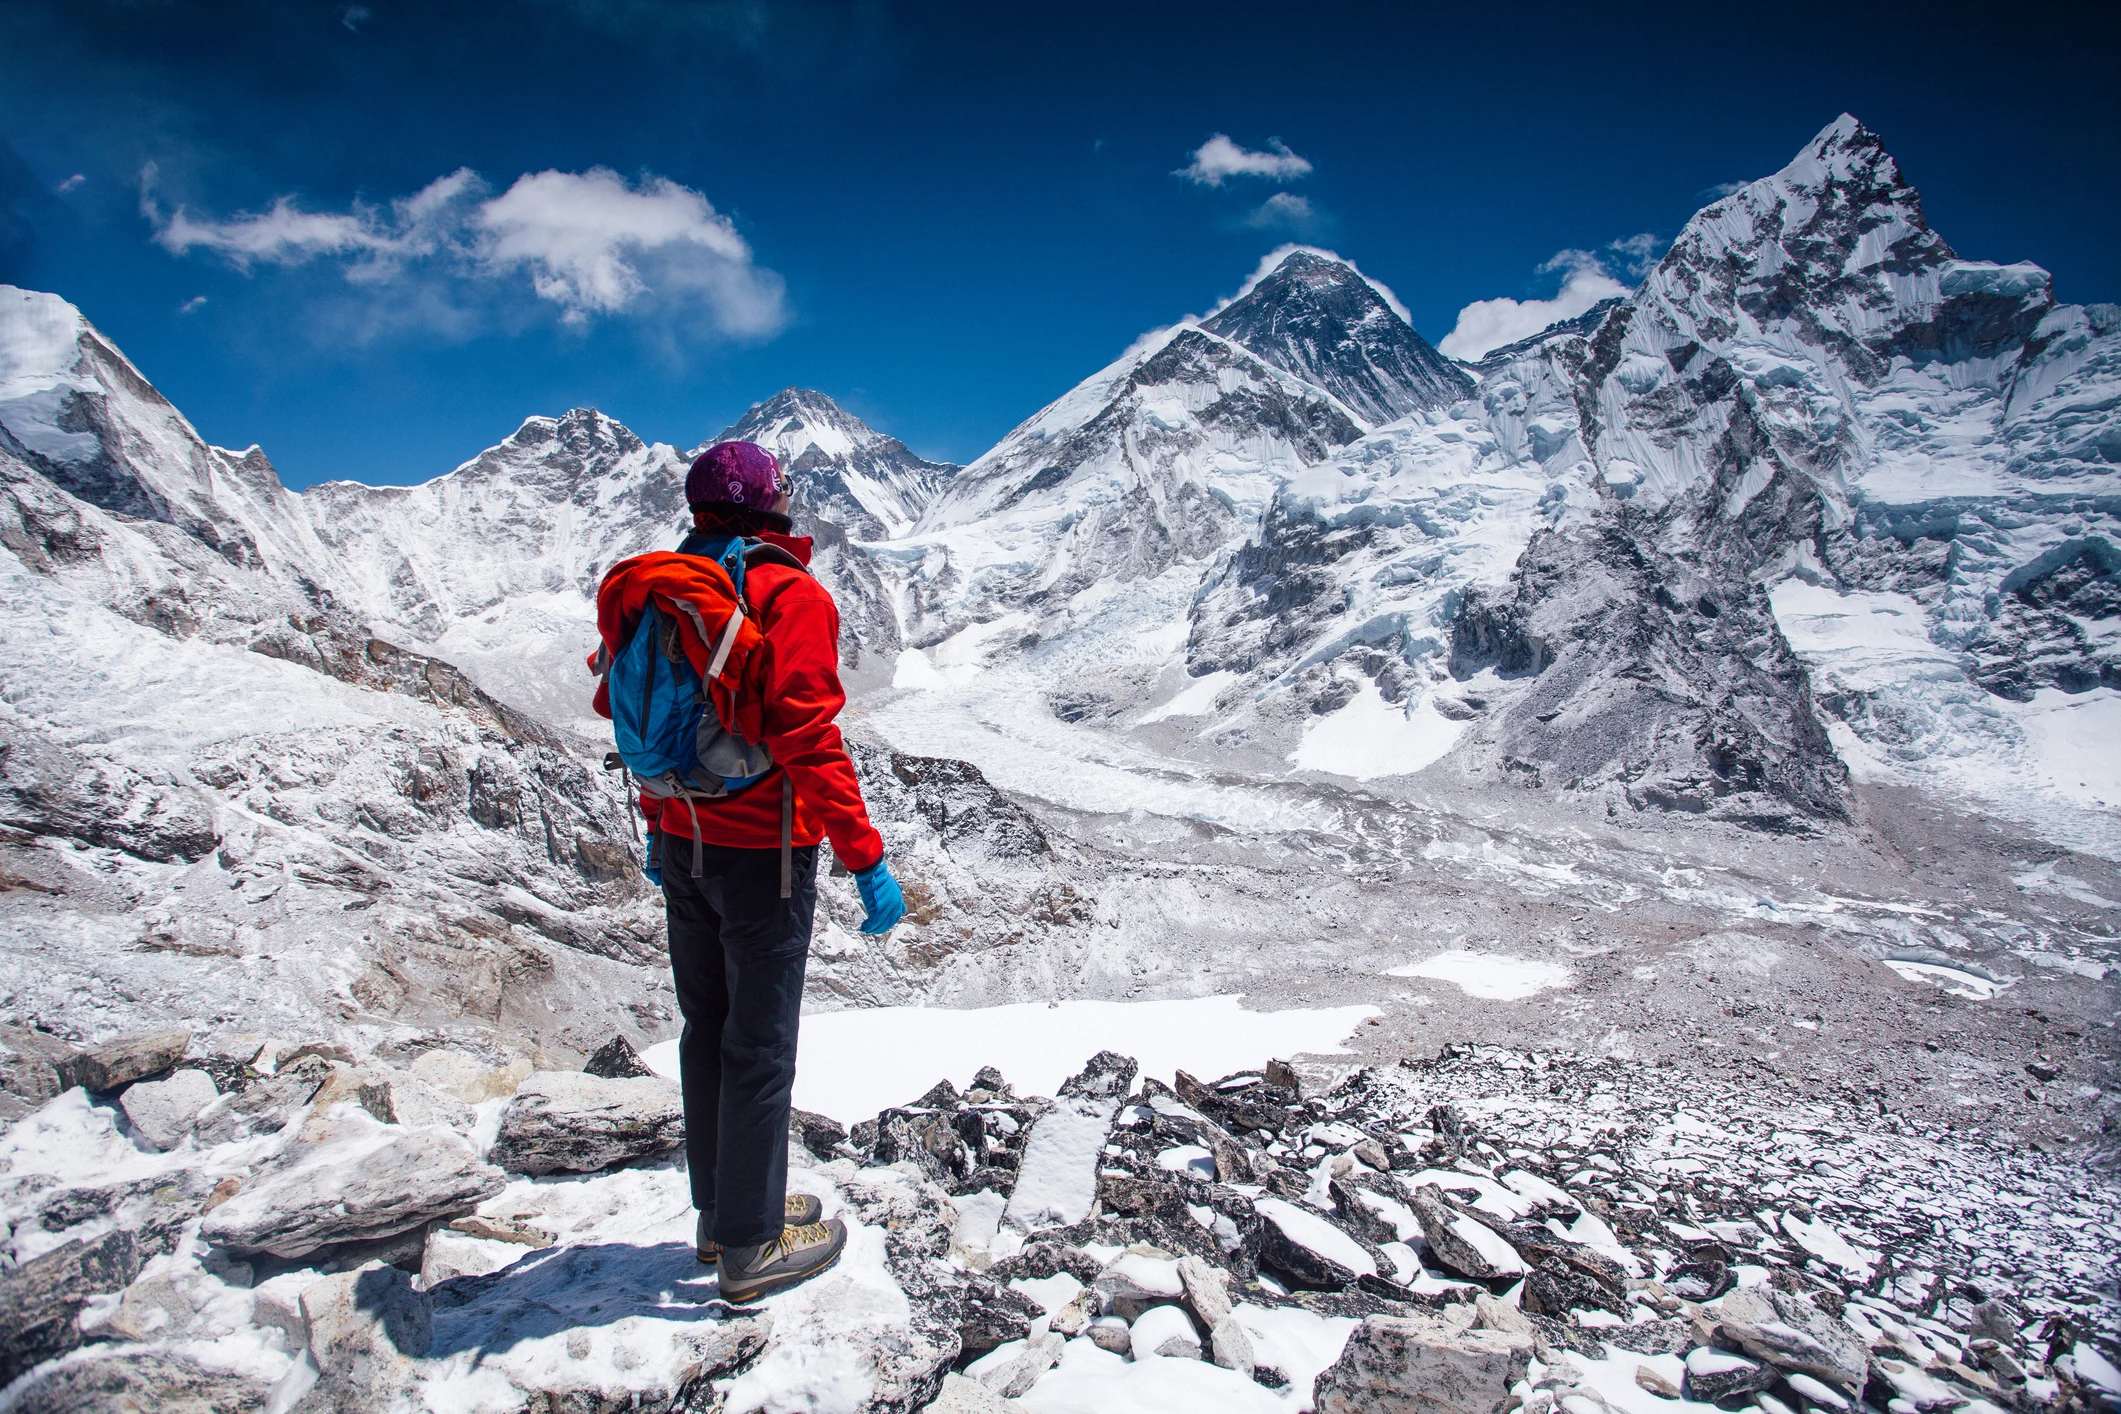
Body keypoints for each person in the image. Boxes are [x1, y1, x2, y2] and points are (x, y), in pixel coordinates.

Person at [640, 439, 906, 1303]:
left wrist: (660, 824)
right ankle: (752, 1251)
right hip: (762, 855)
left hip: (682, 836)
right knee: (758, 1047)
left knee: (704, 1028)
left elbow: (625, 709)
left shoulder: (664, 584)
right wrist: (864, 857)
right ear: (770, 504)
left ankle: (723, 1214)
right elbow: (806, 736)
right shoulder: (785, 592)